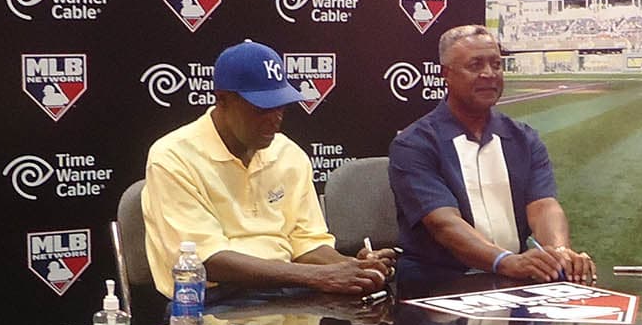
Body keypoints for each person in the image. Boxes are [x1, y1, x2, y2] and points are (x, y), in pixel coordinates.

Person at [142, 40, 392, 298]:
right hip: (209, 303)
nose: (275, 119)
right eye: (261, 109)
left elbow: (306, 242)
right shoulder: (173, 156)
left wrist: (352, 267)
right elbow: (205, 261)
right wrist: (318, 276)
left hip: (292, 290)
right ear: (223, 100)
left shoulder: (288, 154)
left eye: (280, 105)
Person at [387, 25, 595, 283]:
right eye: (475, 65)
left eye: (496, 65)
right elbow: (443, 223)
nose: (489, 74)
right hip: (439, 286)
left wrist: (558, 253)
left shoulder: (524, 138)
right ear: (446, 74)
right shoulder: (414, 144)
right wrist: (505, 262)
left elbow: (544, 206)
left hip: (513, 279)